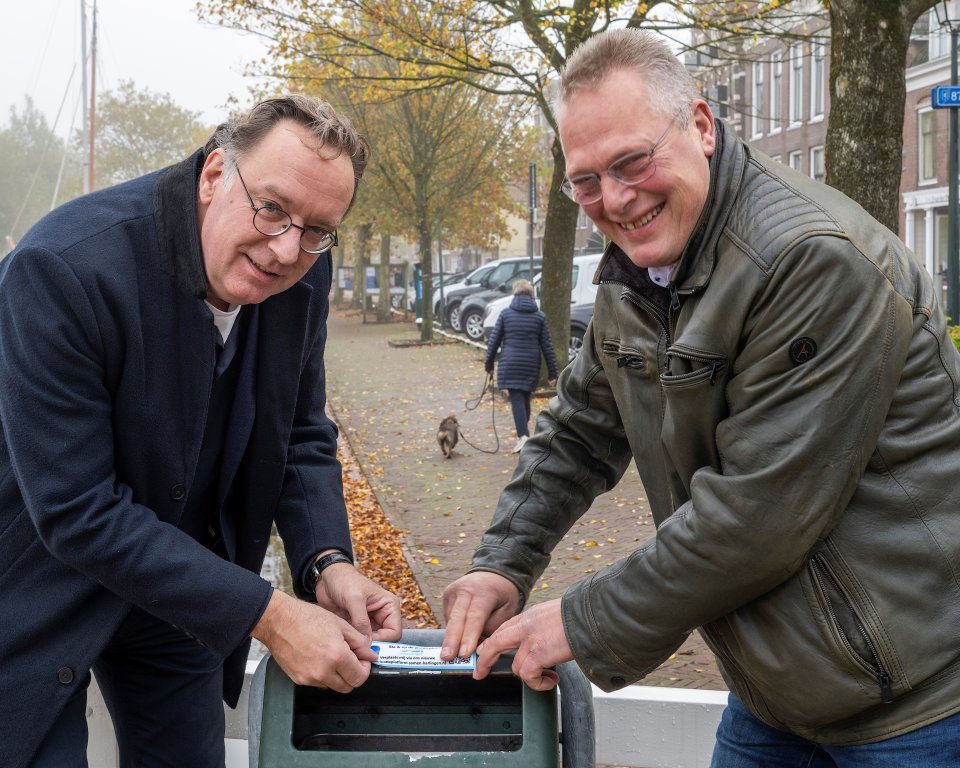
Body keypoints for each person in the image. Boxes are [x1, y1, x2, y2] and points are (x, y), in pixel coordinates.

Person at [441, 27, 960, 767]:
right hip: (777, 686)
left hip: (913, 700)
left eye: (632, 162)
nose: (614, 200)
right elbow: (582, 430)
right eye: (585, 181)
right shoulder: (638, 275)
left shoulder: (812, 262)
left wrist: (581, 623)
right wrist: (502, 561)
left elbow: (759, 515)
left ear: (702, 125)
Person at [0, 94, 402, 768]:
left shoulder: (305, 270)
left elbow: (298, 428)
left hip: (181, 589)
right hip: (38, 587)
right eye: (272, 208)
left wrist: (325, 560)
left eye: (316, 229)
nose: (285, 249)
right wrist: (270, 616)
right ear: (216, 174)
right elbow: (74, 511)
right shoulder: (60, 269)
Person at [483, 279, 558, 453]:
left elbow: (493, 341)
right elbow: (547, 346)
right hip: (530, 364)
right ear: (532, 296)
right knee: (523, 397)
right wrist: (552, 373)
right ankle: (523, 434)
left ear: (514, 294)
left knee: (517, 398)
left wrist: (489, 364)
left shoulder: (505, 314)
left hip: (510, 363)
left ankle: (523, 436)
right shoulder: (539, 316)